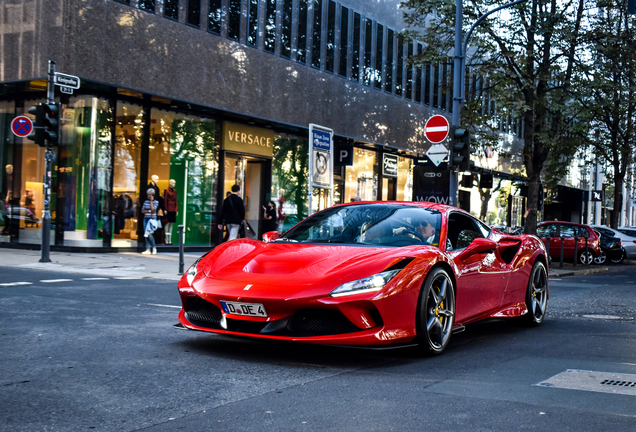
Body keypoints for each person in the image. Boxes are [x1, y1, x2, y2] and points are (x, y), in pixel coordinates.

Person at [140, 188, 159, 255]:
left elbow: (153, 210)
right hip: (146, 219)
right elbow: (142, 211)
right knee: (146, 234)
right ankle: (147, 249)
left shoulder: (156, 202)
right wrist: (149, 211)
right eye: (148, 194)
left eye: (150, 194)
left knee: (150, 234)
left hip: (152, 219)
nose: (149, 196)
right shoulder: (145, 202)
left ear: (153, 195)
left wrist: (151, 202)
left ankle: (154, 247)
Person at [163, 179, 178, 244]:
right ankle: (166, 239)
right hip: (168, 208)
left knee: (171, 224)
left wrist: (176, 209)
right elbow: (165, 199)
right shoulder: (166, 190)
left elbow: (176, 200)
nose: (174, 184)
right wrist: (165, 209)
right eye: (173, 183)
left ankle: (169, 239)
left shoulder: (174, 191)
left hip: (173, 209)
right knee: (167, 223)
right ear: (170, 183)